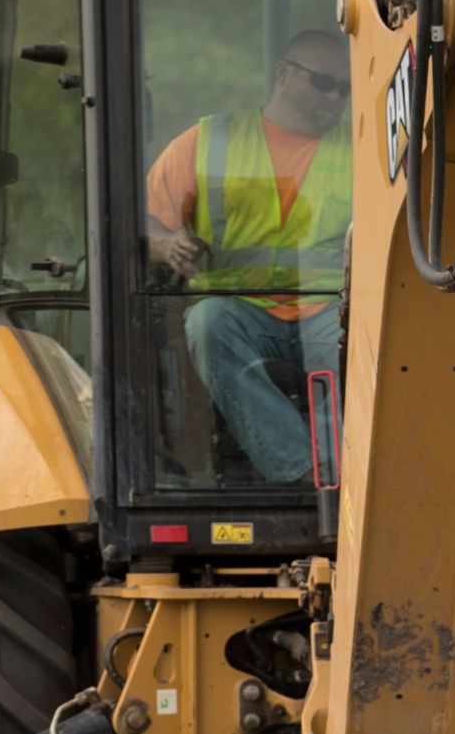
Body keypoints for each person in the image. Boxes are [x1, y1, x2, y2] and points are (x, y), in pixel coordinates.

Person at [145, 29, 351, 482]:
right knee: (206, 323)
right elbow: (144, 223)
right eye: (323, 82)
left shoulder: (361, 152)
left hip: (327, 309)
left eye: (345, 88)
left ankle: (343, 480)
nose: (335, 97)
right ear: (283, 74)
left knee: (353, 340)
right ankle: (302, 470)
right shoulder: (210, 140)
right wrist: (169, 244)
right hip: (240, 308)